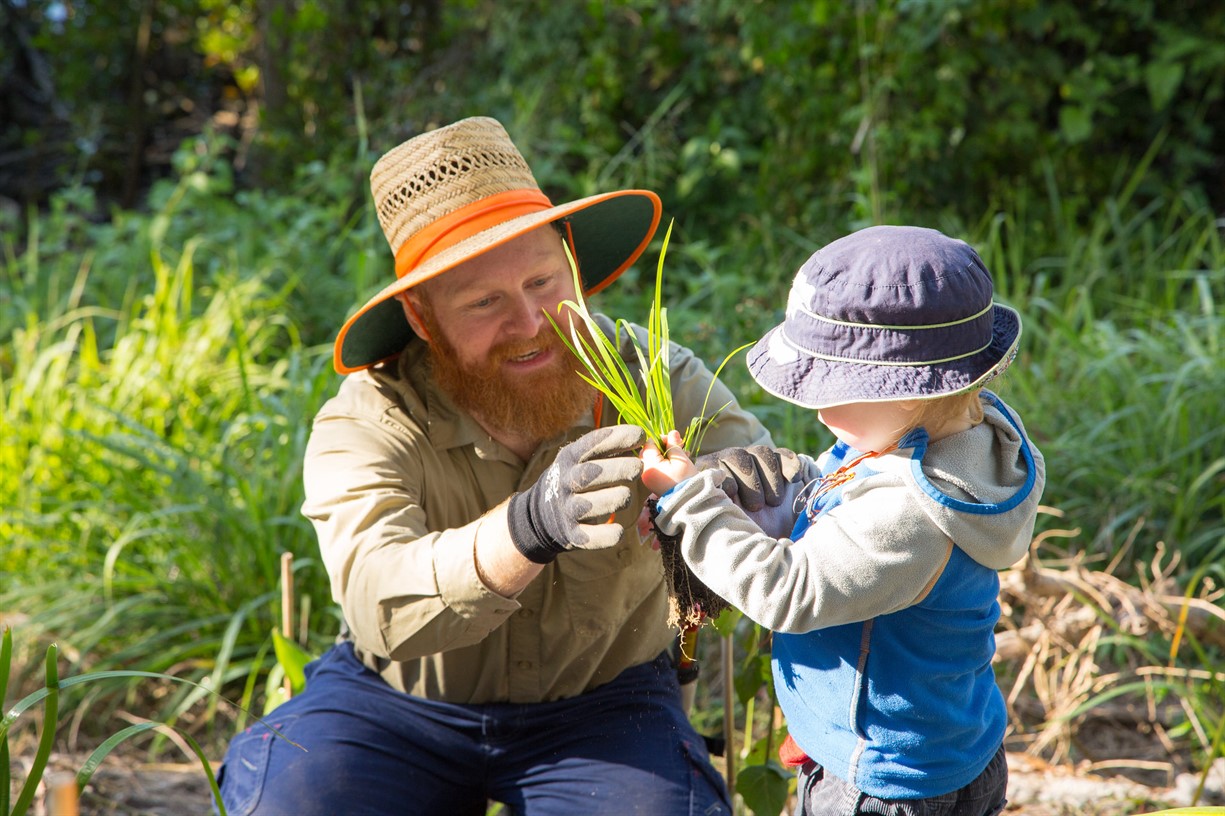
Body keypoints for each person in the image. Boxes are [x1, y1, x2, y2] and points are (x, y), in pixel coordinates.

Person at [216, 116, 794, 816]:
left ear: (572, 266)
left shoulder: (655, 378)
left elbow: (777, 495)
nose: (528, 323)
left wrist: (739, 487)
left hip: (604, 704)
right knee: (298, 803)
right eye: (484, 302)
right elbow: (378, 601)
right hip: (397, 702)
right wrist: (529, 526)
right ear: (422, 319)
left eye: (542, 280)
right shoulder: (370, 418)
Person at [640, 225, 1047, 816]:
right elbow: (851, 488)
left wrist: (690, 503)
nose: (810, 403)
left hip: (882, 784)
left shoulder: (913, 516)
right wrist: (774, 484)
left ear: (905, 392)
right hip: (954, 748)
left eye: (826, 385)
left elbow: (790, 591)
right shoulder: (959, 442)